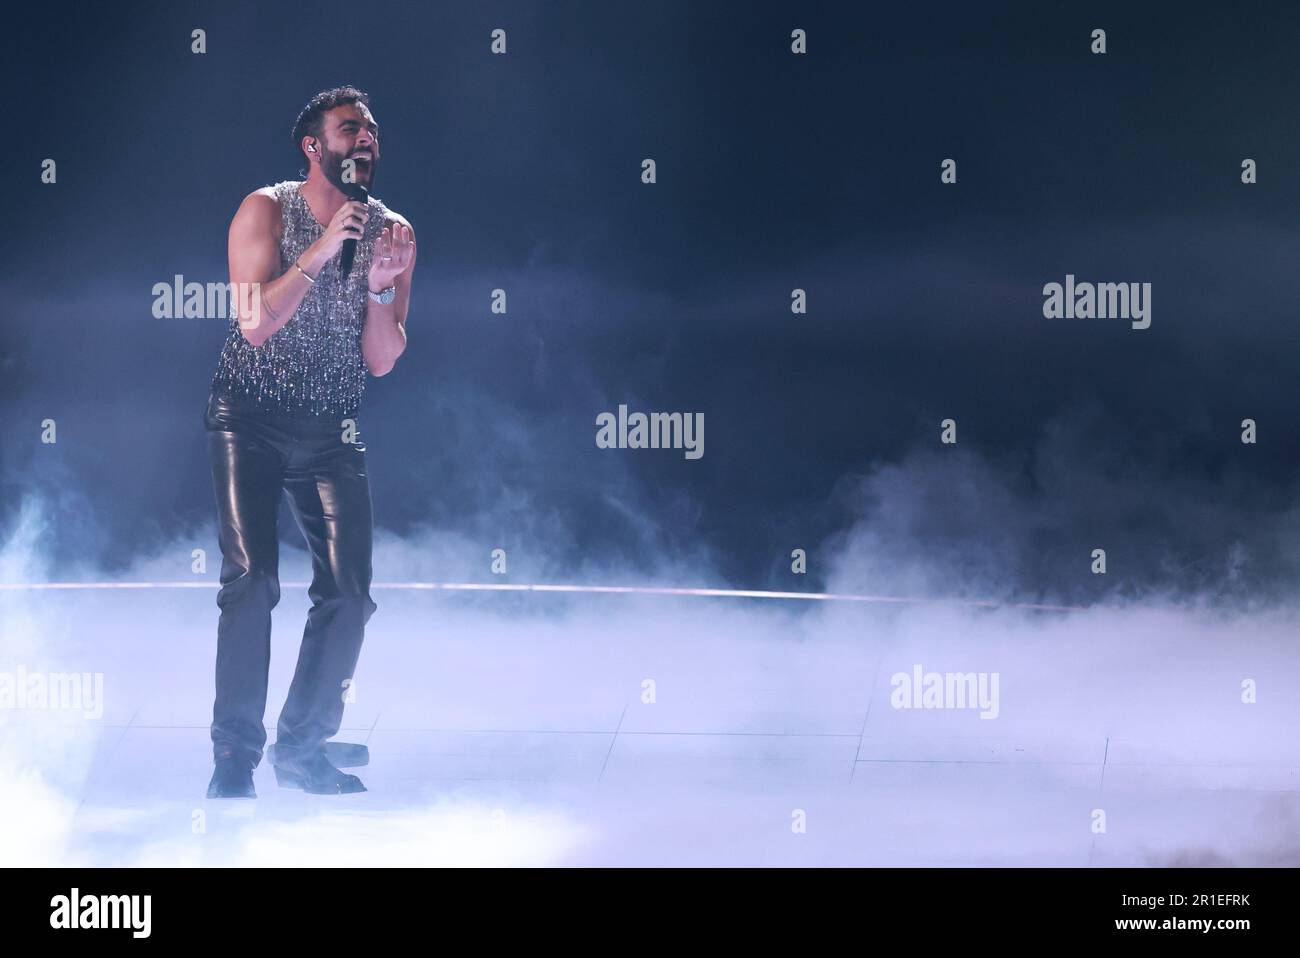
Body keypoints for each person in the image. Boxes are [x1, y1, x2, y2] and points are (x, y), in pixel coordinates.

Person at [202, 86, 415, 797]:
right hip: (251, 417)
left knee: (350, 595)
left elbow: (381, 360)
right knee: (254, 582)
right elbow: (255, 323)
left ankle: (302, 747)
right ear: (313, 146)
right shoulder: (265, 209)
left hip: (332, 429)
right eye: (350, 128)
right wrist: (323, 251)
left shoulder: (391, 233)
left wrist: (383, 290)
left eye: (373, 131)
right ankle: (234, 757)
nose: (366, 140)